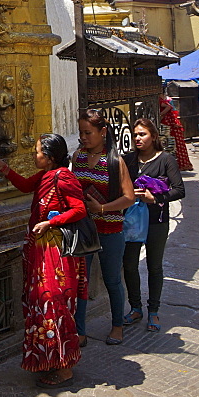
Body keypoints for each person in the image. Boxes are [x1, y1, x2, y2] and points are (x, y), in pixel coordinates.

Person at [0, 134, 87, 388]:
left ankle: (65, 368)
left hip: (56, 251)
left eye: (37, 152)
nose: (34, 156)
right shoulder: (45, 177)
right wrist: (5, 169)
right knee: (39, 302)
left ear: (50, 157)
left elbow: (79, 209)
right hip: (41, 250)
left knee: (53, 302)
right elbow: (24, 186)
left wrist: (50, 222)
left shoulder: (64, 177)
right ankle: (50, 360)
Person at [72, 109, 135, 345]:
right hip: (84, 229)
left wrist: (102, 208)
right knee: (81, 281)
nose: (84, 137)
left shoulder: (115, 162)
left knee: (112, 280)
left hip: (110, 230)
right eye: (81, 132)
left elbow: (129, 198)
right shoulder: (77, 157)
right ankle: (80, 330)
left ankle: (117, 326)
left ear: (103, 132)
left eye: (88, 132)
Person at [122, 117, 185, 333]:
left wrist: (156, 197)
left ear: (154, 136)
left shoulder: (166, 159)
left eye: (142, 134)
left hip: (157, 220)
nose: (138, 138)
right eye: (135, 134)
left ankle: (154, 311)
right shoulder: (128, 160)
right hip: (131, 221)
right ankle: (136, 307)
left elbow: (179, 190)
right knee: (129, 264)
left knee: (154, 266)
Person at [159, 94, 193, 171]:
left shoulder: (161, 100)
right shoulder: (167, 98)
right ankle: (182, 164)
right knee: (177, 144)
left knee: (172, 144)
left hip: (169, 124)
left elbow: (169, 107)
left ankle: (178, 164)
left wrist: (160, 115)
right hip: (171, 123)